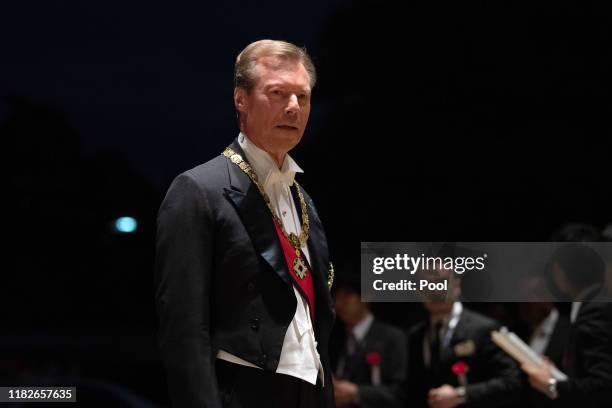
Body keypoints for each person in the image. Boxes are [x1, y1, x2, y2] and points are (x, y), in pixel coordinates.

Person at [154, 39, 336, 408]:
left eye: (303, 96)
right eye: (277, 93)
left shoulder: (306, 202)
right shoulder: (197, 190)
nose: (293, 107)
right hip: (242, 391)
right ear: (241, 99)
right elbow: (184, 331)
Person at [405, 262, 522, 408]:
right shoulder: (416, 335)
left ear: (456, 286)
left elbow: (511, 381)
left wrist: (461, 394)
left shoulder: (484, 329)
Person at [521, 228, 612, 408]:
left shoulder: (596, 310)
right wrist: (554, 373)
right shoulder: (594, 305)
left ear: (558, 270)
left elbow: (604, 388)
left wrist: (551, 383)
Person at [331, 277, 406, 408]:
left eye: (347, 296)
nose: (339, 304)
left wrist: (357, 392)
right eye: (336, 298)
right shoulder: (335, 339)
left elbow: (400, 392)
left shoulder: (392, 337)